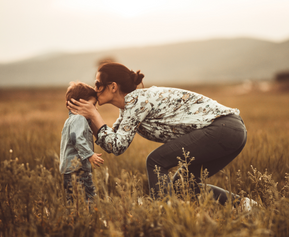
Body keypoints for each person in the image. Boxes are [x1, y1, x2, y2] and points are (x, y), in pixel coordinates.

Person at [67, 63, 247, 205]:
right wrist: (90, 119)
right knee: (183, 186)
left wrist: (95, 115)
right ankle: (245, 205)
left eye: (98, 84)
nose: (95, 88)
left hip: (224, 128)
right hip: (230, 131)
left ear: (113, 86)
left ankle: (161, 212)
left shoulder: (137, 101)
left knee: (155, 161)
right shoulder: (129, 110)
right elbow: (113, 145)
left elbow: (118, 145)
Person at [60, 82, 104, 206]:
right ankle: (91, 221)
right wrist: (89, 154)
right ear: (79, 104)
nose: (94, 109)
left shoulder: (69, 121)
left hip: (68, 169)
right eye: (93, 105)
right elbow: (76, 139)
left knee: (73, 201)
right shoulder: (79, 119)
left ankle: (75, 220)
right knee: (89, 198)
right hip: (78, 168)